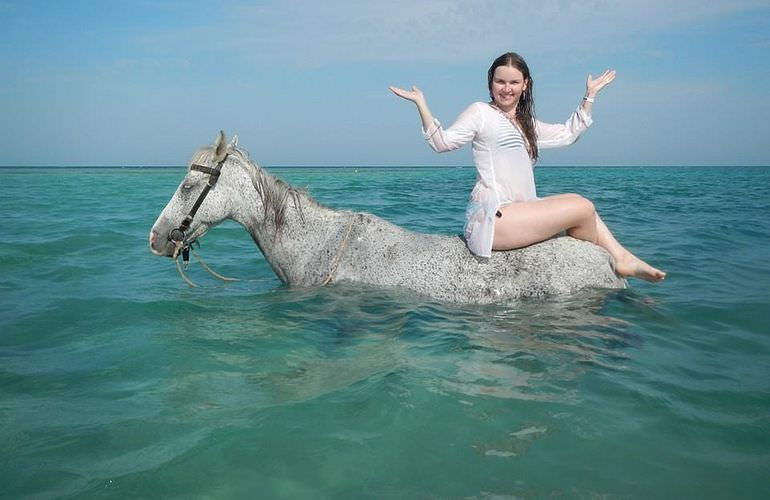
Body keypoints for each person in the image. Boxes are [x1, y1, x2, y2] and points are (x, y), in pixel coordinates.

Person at [390, 52, 665, 282]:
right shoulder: (480, 113)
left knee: (578, 205)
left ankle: (619, 259)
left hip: (519, 214)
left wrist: (589, 96)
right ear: (491, 84)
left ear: (525, 85)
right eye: (500, 81)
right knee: (582, 206)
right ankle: (616, 261)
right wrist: (421, 104)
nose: (506, 88)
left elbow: (568, 133)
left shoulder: (526, 124)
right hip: (492, 219)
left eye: (513, 82)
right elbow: (442, 143)